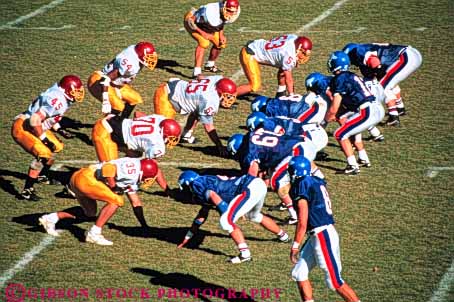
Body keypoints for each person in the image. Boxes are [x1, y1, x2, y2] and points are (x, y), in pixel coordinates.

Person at [288, 156, 361, 302]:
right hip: (319, 234)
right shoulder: (316, 180)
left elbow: (303, 220)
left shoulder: (301, 184)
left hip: (322, 234)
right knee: (299, 272)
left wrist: (295, 245)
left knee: (334, 282)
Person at [39, 157, 159, 245]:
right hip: (86, 178)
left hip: (79, 179)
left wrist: (144, 225)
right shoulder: (132, 169)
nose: (147, 181)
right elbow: (108, 168)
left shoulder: (133, 175)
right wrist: (113, 187)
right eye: (148, 178)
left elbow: (136, 203)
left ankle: (50, 218)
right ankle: (94, 233)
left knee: (90, 213)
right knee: (117, 200)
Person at [176, 170, 289, 263]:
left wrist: (227, 213)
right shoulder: (204, 180)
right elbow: (202, 214)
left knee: (226, 221)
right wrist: (188, 236)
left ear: (187, 184)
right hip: (257, 185)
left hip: (248, 188)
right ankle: (284, 236)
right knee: (253, 216)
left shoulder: (196, 184)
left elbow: (212, 195)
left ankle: (245, 254)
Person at [11, 75, 85, 201]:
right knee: (44, 153)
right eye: (75, 91)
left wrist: (59, 129)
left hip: (35, 125)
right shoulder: (58, 100)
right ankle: (27, 190)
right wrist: (44, 139)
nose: (78, 94)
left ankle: (41, 175)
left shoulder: (60, 95)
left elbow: (51, 116)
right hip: (24, 127)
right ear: (67, 89)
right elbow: (35, 120)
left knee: (57, 146)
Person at [227, 129, 320, 225]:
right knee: (274, 173)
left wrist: (242, 202)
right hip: (302, 143)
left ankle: (295, 215)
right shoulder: (252, 137)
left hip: (297, 149)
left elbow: (251, 177)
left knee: (276, 181)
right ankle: (318, 182)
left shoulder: (248, 151)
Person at [91, 114, 181, 198]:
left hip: (116, 121)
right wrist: (167, 189)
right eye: (171, 138)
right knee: (108, 172)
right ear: (163, 133)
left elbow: (137, 114)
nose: (171, 141)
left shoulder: (160, 119)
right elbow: (153, 168)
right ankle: (80, 189)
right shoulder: (157, 144)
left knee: (136, 155)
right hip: (105, 132)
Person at [325, 51, 385, 175]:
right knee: (351, 127)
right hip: (376, 107)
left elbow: (335, 106)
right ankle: (363, 158)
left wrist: (328, 118)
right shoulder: (351, 75)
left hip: (367, 110)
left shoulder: (340, 79)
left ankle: (352, 165)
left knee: (340, 134)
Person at [153, 75, 237, 156]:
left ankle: (186, 135)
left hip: (177, 85)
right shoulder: (210, 100)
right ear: (220, 93)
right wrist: (220, 146)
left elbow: (200, 76)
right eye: (228, 97)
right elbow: (209, 127)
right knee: (163, 133)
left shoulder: (217, 80)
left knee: (197, 109)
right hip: (166, 96)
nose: (230, 99)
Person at [343, 42, 422, 126]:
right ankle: (400, 108)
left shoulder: (359, 51)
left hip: (406, 57)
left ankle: (393, 116)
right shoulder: (364, 49)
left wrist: (377, 74)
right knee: (390, 81)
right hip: (411, 54)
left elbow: (375, 63)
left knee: (382, 86)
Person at [87, 41, 158, 118]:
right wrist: (105, 100)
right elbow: (106, 79)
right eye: (148, 57)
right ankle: (107, 125)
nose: (151, 59)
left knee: (135, 98)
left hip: (114, 83)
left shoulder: (135, 51)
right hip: (99, 81)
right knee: (118, 106)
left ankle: (122, 122)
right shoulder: (130, 64)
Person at [237, 34, 312, 97]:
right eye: (302, 53)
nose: (303, 56)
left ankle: (280, 94)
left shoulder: (294, 38)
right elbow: (289, 79)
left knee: (284, 69)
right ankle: (229, 94)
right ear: (298, 49)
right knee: (254, 86)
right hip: (250, 53)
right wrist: (291, 95)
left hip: (256, 46)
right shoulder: (289, 54)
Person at [184, 0, 240, 78]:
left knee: (220, 44)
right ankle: (197, 72)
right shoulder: (209, 11)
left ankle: (209, 65)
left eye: (232, 11)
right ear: (223, 7)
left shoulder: (233, 12)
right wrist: (203, 33)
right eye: (228, 10)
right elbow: (191, 21)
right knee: (204, 43)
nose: (230, 13)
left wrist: (221, 35)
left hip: (207, 26)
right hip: (194, 23)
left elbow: (221, 22)